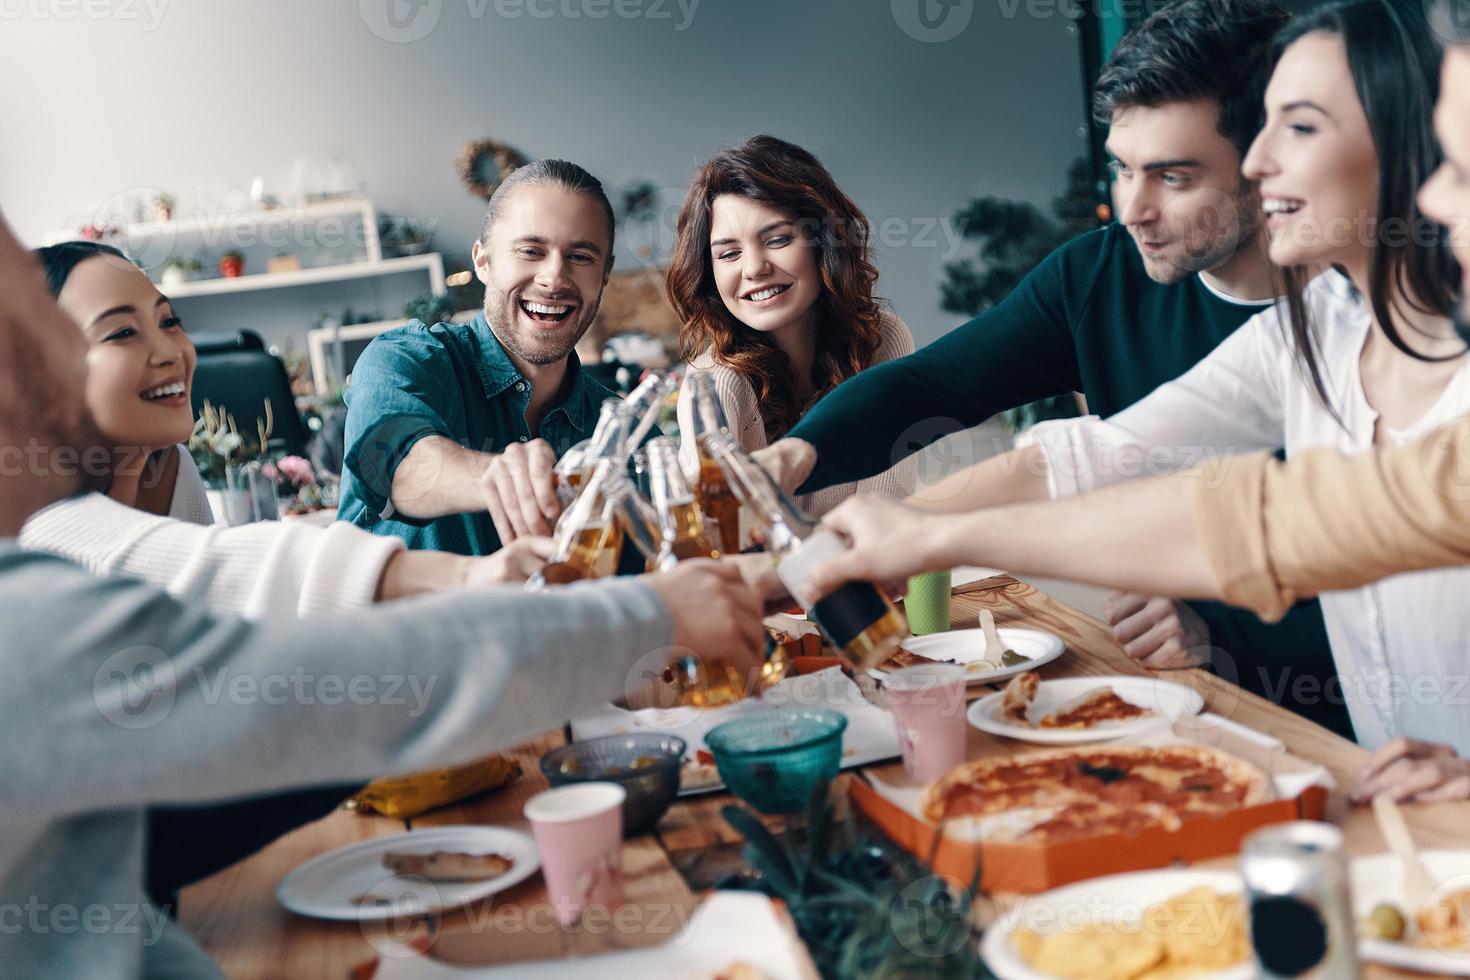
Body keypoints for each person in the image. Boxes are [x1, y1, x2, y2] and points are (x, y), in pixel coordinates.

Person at [0, 216, 765, 977]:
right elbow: (243, 604)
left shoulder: (165, 477)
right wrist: (617, 612)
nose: (167, 349)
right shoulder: (43, 577)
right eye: (96, 338)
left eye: (168, 320)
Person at [808, 0, 1470, 804]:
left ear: (1411, 140)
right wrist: (883, 536)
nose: (1260, 164)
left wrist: (920, 537)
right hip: (1394, 802)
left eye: (1297, 127)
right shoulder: (1314, 327)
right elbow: (1103, 458)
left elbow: (1258, 525)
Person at [21, 242, 552, 619]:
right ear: (42, 370)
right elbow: (228, 570)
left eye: (168, 321)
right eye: (121, 332)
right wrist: (464, 578)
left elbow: (213, 617)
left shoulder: (169, 466)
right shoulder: (39, 524)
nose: (168, 352)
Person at [337, 159, 630, 555]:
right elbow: (391, 461)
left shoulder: (626, 433)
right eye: (531, 250)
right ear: (483, 261)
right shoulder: (405, 360)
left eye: (580, 257)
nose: (555, 278)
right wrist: (499, 477)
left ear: (605, 276)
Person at [668, 135, 915, 516]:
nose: (753, 268)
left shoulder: (883, 340)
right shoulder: (716, 384)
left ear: (823, 242)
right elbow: (718, 541)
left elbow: (888, 511)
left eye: (777, 239)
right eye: (729, 253)